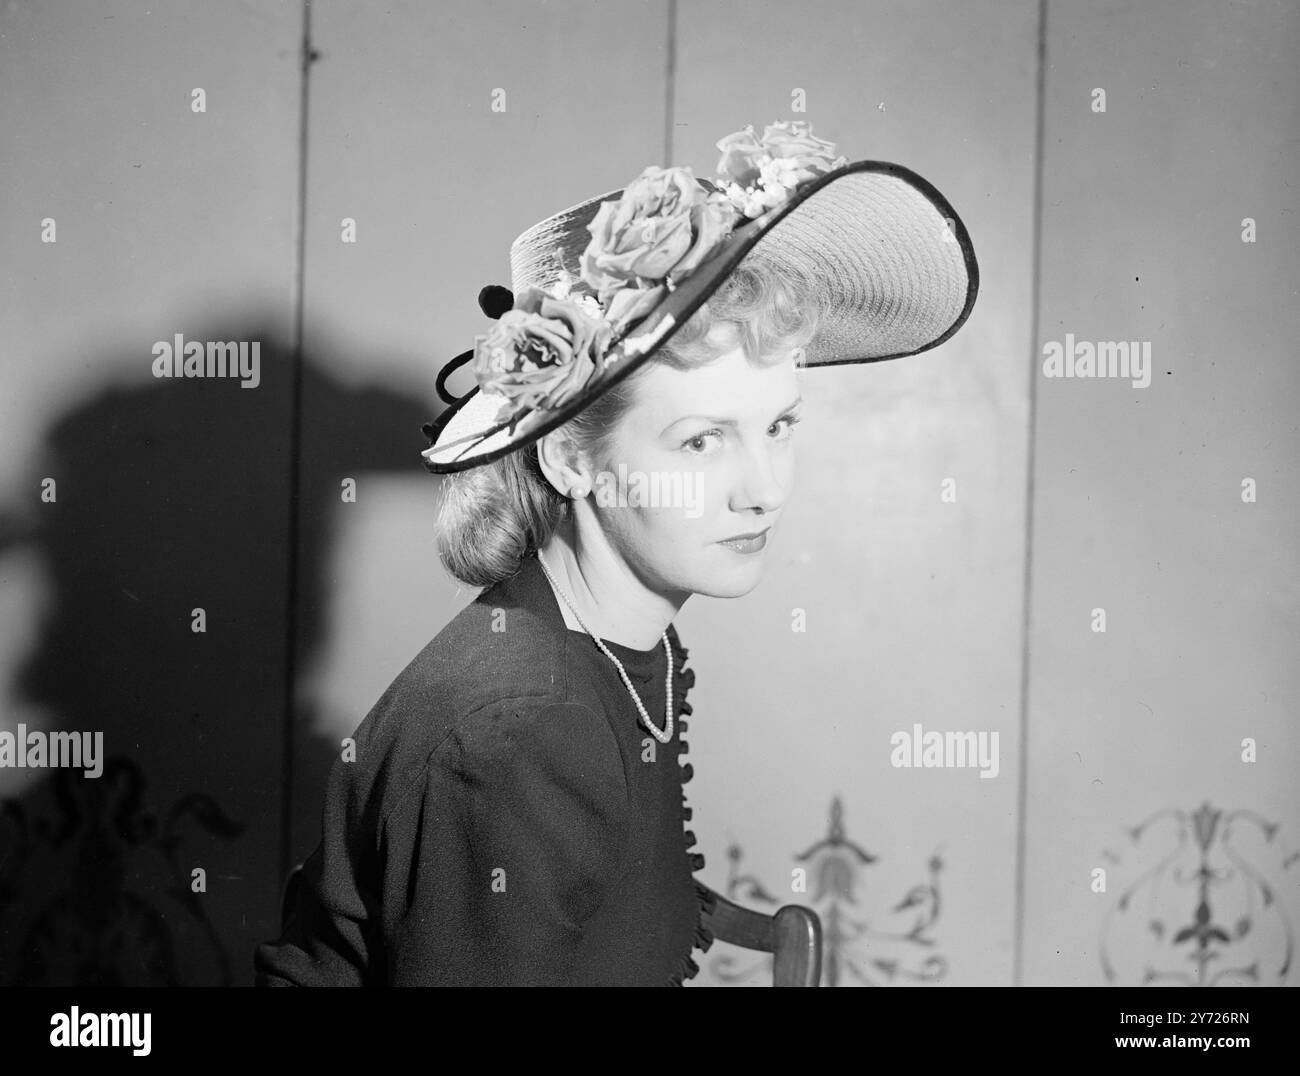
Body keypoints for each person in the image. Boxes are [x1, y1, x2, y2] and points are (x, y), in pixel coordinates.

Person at [253, 120, 979, 986]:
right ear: (570, 457)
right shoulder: (521, 731)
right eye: (703, 442)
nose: (765, 489)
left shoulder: (604, 639)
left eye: (778, 426)